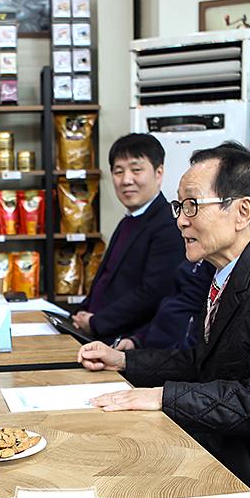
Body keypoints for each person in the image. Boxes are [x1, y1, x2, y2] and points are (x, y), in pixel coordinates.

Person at [76, 142, 250, 498]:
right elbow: (201, 361)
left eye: (193, 205)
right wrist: (126, 361)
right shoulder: (223, 274)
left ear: (241, 212)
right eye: (179, 207)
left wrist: (164, 396)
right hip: (223, 448)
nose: (181, 220)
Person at [72, 133, 183, 342]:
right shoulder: (129, 220)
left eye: (136, 170)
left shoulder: (168, 224)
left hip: (126, 343)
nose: (126, 180)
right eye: (118, 171)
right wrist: (81, 313)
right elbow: (107, 280)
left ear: (159, 173)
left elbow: (153, 294)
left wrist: (97, 322)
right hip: (95, 333)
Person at [113, 259, 215, 351]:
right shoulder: (190, 262)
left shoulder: (218, 273)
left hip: (167, 362)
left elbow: (189, 354)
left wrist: (133, 361)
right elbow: (167, 307)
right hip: (149, 353)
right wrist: (137, 340)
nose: (184, 237)